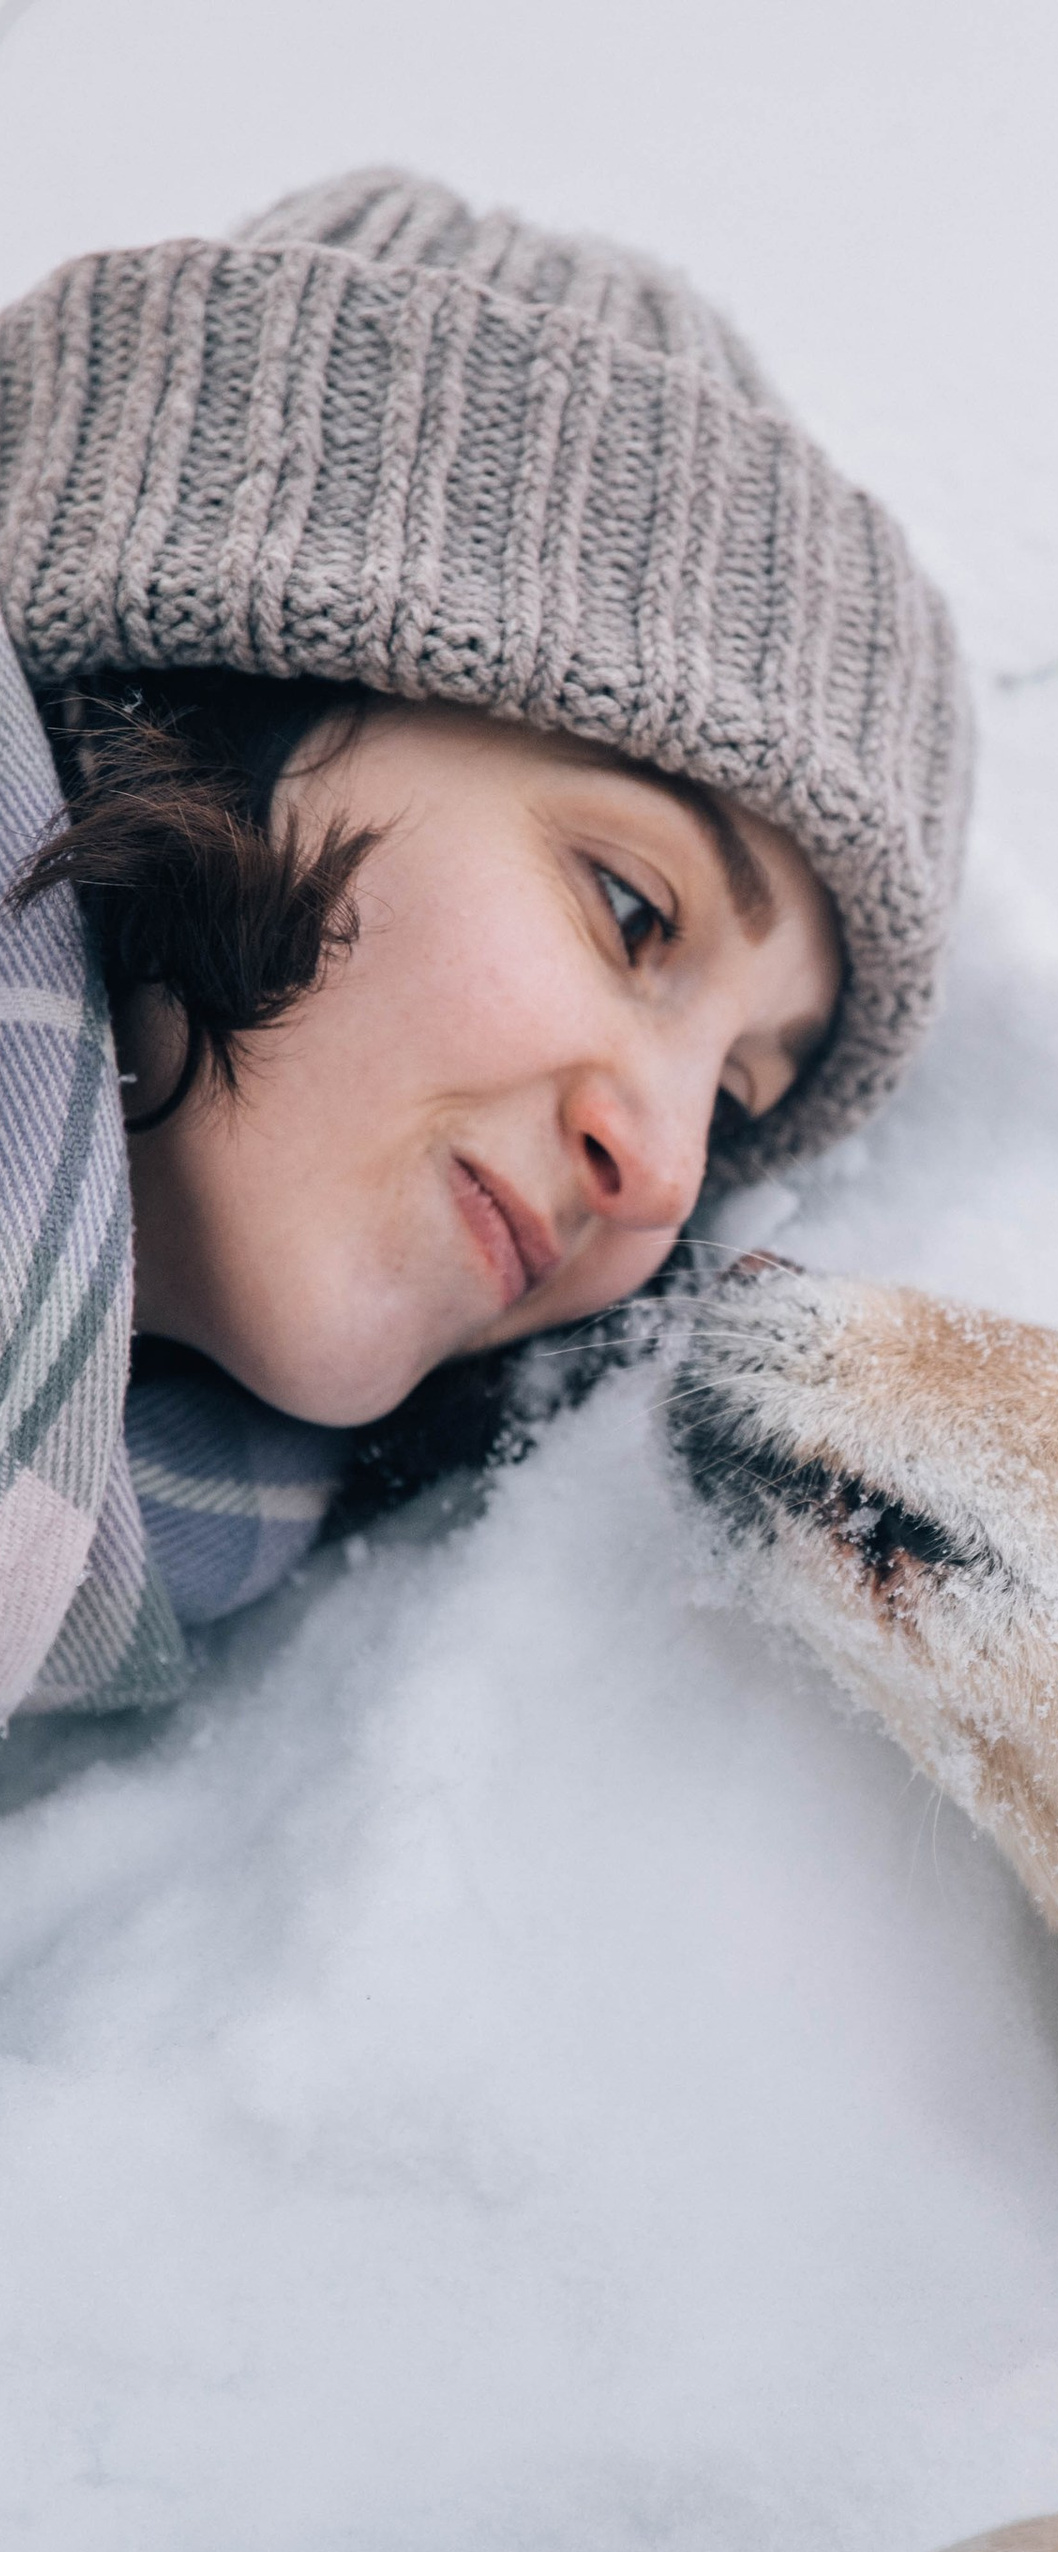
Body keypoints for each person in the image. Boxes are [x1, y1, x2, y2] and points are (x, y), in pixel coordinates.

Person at [0, 170, 969, 1717]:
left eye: (734, 1105)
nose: (662, 1177)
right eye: (632, 910)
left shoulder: (122, 1536)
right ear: (232, 662)